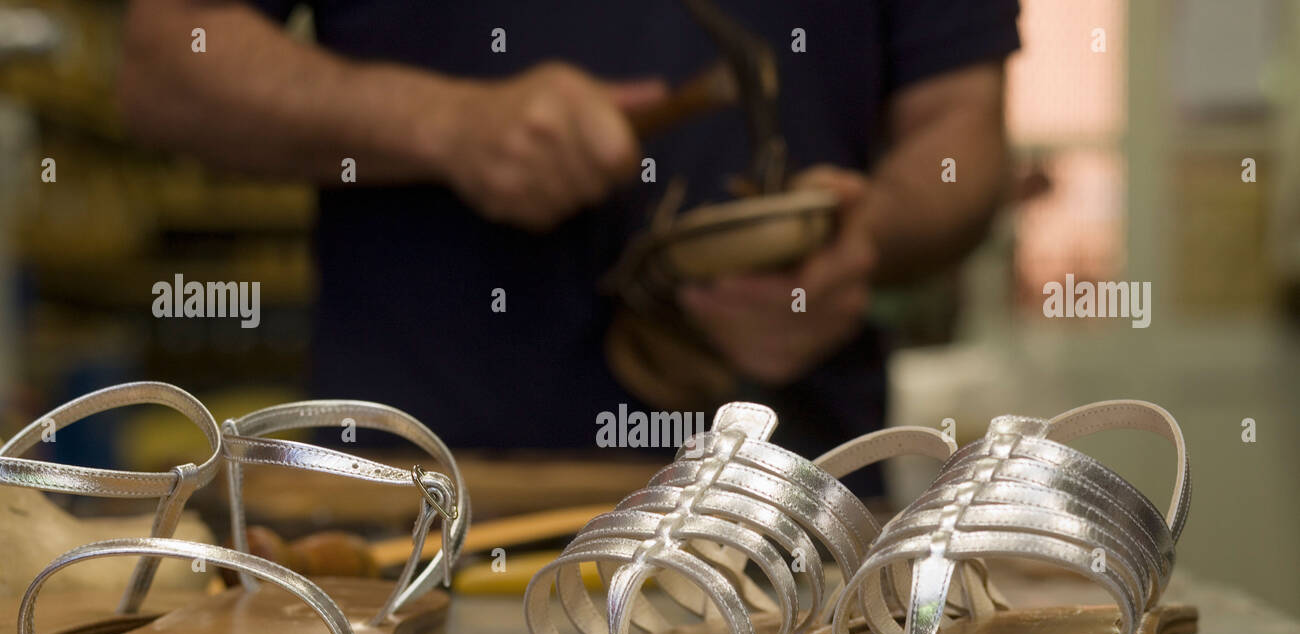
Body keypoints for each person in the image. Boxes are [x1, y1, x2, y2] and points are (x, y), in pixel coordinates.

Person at [119, 0, 1019, 459]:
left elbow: (962, 125)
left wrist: (868, 234)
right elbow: (170, 56)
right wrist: (442, 125)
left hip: (790, 507)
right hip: (419, 514)